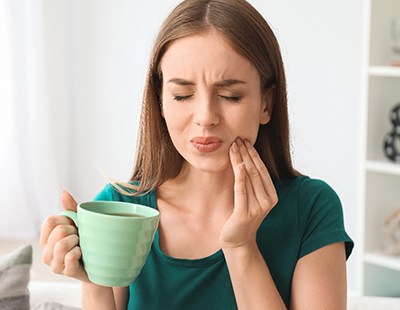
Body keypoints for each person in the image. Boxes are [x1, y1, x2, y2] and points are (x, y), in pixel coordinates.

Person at [40, 0, 354, 309]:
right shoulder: (122, 209)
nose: (205, 117)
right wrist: (93, 282)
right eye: (182, 95)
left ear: (266, 104)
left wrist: (241, 247)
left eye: (230, 96)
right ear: (161, 102)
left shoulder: (311, 208)